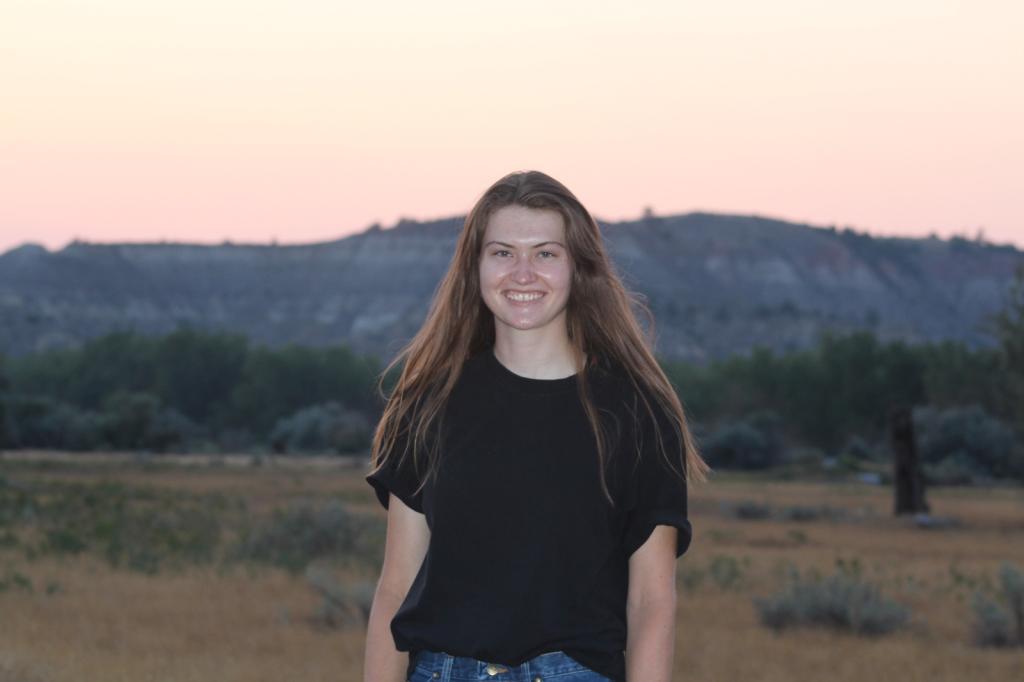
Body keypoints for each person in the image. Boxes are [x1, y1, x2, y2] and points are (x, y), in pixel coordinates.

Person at [363, 170, 710, 682]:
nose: (522, 274)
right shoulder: (428, 402)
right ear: (475, 266)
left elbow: (651, 602)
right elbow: (396, 585)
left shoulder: (637, 411)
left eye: (546, 253)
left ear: (578, 268)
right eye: (503, 252)